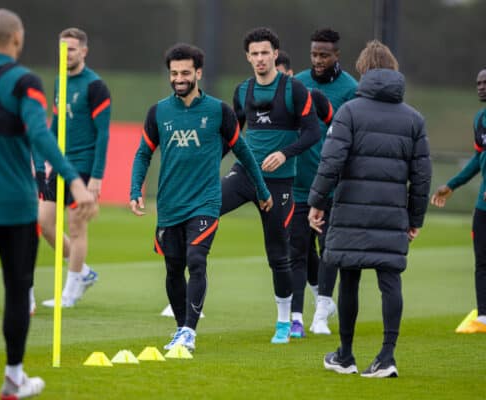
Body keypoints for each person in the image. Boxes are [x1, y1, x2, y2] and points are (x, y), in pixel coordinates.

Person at [0, 9, 96, 399]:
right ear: (18, 39)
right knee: (16, 291)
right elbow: (41, 137)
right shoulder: (26, 83)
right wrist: (74, 182)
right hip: (15, 207)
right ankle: (13, 378)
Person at [130, 43, 272, 352]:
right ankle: (181, 328)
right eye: (174, 73)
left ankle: (190, 332)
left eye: (184, 72)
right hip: (169, 204)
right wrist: (135, 189)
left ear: (198, 73)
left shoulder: (218, 111)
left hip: (205, 202)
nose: (179, 78)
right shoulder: (159, 111)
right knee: (172, 268)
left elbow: (243, 152)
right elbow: (143, 153)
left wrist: (262, 190)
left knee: (196, 260)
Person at [308, 40, 431, 378]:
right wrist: (415, 217)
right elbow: (422, 176)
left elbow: (330, 161)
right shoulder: (414, 119)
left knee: (349, 279)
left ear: (363, 71)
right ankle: (386, 356)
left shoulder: (349, 111)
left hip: (350, 211)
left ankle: (345, 355)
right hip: (392, 214)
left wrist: (317, 202)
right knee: (390, 282)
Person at [221, 27, 320, 344]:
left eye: (266, 52)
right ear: (248, 57)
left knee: (279, 253)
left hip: (280, 184)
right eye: (255, 53)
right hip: (245, 175)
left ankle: (283, 321)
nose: (261, 58)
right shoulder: (242, 91)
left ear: (275, 55)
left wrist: (284, 153)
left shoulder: (295, 90)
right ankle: (183, 298)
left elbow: (312, 133)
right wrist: (208, 164)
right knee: (205, 208)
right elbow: (233, 134)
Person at [36, 27, 110, 308]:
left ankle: (69, 292)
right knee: (44, 223)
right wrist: (46, 157)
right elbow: (55, 123)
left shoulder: (95, 86)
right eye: (63, 49)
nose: (67, 54)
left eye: (73, 49)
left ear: (84, 51)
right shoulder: (59, 81)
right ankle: (83, 273)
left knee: (77, 227)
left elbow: (103, 133)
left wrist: (97, 177)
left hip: (85, 167)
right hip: (59, 164)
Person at [291, 28, 358, 336]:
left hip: (332, 185)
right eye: (314, 54)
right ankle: (313, 304)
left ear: (337, 56)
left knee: (329, 248)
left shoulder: (350, 89)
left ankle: (320, 313)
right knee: (300, 249)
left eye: (324, 55)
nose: (318, 60)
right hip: (299, 183)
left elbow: (350, 137)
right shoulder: (298, 83)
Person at [431, 68, 486, 334]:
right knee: (482, 261)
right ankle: (484, 317)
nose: (481, 87)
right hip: (483, 207)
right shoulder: (480, 119)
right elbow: (478, 159)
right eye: (478, 82)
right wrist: (451, 185)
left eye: (485, 82)